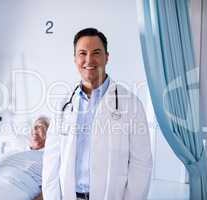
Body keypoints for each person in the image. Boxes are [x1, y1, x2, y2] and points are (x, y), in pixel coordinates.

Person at [42, 28, 153, 200]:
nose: (89, 60)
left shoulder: (131, 104)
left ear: (106, 57)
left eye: (96, 52)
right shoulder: (63, 105)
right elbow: (51, 161)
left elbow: (141, 164)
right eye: (82, 53)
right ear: (75, 59)